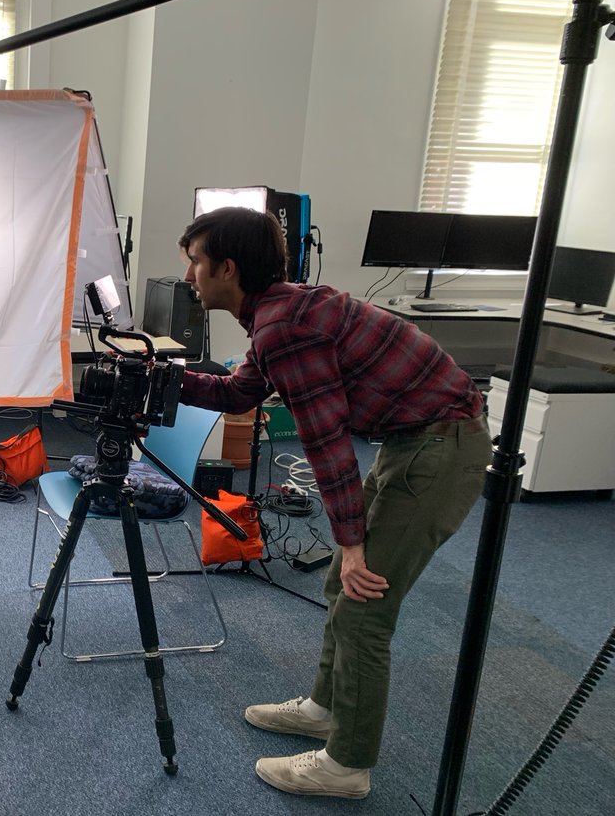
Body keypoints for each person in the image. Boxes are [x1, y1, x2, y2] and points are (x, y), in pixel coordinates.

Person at [177, 207, 490, 799]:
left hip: (440, 449)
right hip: (417, 439)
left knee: (365, 604)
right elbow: (242, 390)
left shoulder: (284, 328)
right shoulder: (277, 311)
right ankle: (325, 709)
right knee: (340, 590)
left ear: (228, 267)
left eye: (195, 262)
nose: (190, 275)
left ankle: (346, 765)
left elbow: (326, 445)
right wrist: (164, 377)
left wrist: (350, 544)